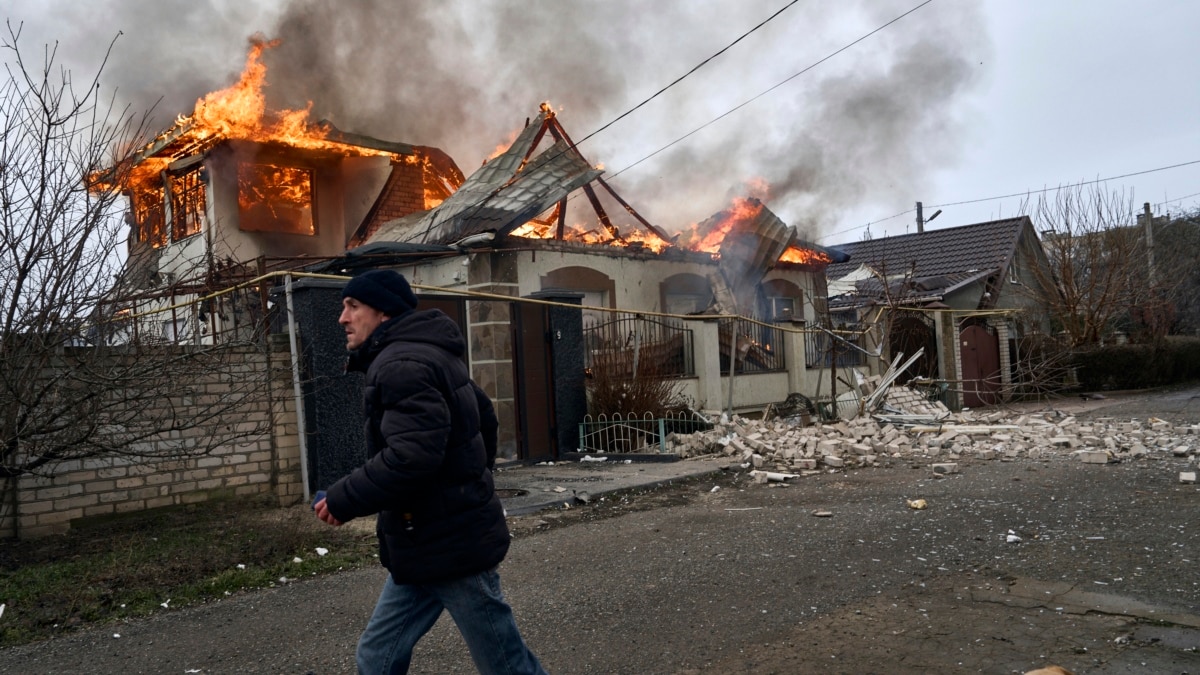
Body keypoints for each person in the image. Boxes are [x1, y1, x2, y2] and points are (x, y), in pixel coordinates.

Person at [313, 269, 547, 675]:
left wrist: (342, 498)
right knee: (377, 657)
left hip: (450, 545)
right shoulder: (429, 352)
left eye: (352, 307)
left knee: (506, 665)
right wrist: (471, 482)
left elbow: (410, 457)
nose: (342, 318)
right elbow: (485, 417)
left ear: (382, 312)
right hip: (422, 541)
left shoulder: (402, 363)